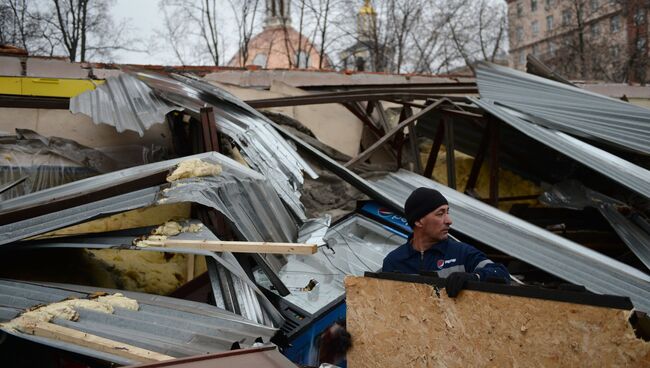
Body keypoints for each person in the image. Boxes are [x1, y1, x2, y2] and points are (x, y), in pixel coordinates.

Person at [382, 187, 510, 297]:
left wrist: (475, 277)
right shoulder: (394, 261)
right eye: (440, 214)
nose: (449, 220)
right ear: (419, 221)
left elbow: (502, 274)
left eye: (447, 212)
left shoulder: (461, 253)